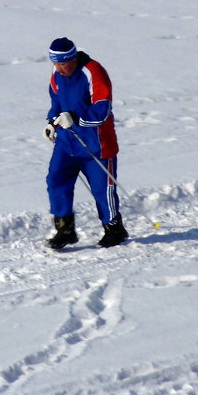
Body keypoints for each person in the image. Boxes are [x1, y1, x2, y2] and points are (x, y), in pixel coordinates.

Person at [43, 37, 129, 249]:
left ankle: (114, 229)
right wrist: (51, 123)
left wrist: (75, 117)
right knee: (56, 181)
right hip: (67, 142)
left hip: (96, 144)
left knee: (102, 189)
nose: (59, 69)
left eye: (63, 64)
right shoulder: (57, 75)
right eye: (55, 64)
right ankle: (65, 229)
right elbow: (56, 103)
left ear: (73, 58)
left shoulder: (93, 72)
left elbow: (102, 110)